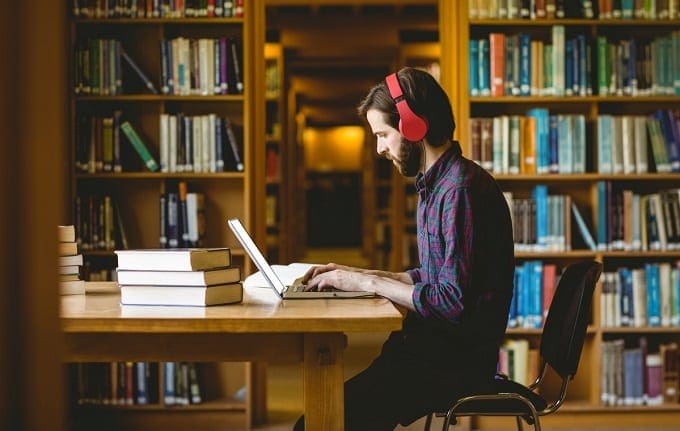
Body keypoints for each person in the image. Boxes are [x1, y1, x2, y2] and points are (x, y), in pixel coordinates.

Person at [293, 67, 515, 431]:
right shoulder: (438, 185)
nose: (380, 148)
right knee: (324, 416)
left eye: (383, 134)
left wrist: (368, 284)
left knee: (317, 424)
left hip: (449, 363)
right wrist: (354, 275)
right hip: (428, 351)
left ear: (413, 127)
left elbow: (451, 302)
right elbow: (431, 278)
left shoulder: (459, 190)